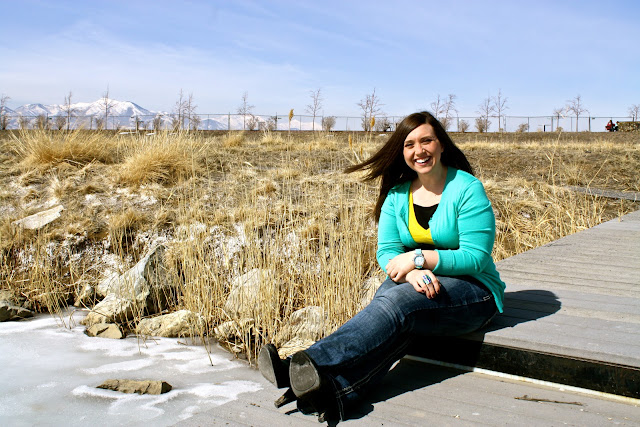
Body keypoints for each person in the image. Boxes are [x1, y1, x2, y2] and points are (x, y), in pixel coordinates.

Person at [259, 111, 506, 422]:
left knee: (398, 303)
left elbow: (476, 256)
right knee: (395, 307)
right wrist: (412, 273)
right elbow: (387, 251)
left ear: (441, 144)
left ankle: (304, 363)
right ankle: (338, 391)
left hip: (475, 292)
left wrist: (417, 259)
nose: (419, 150)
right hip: (421, 281)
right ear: (401, 152)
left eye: (427, 141)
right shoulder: (397, 195)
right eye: (409, 144)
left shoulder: (466, 188)